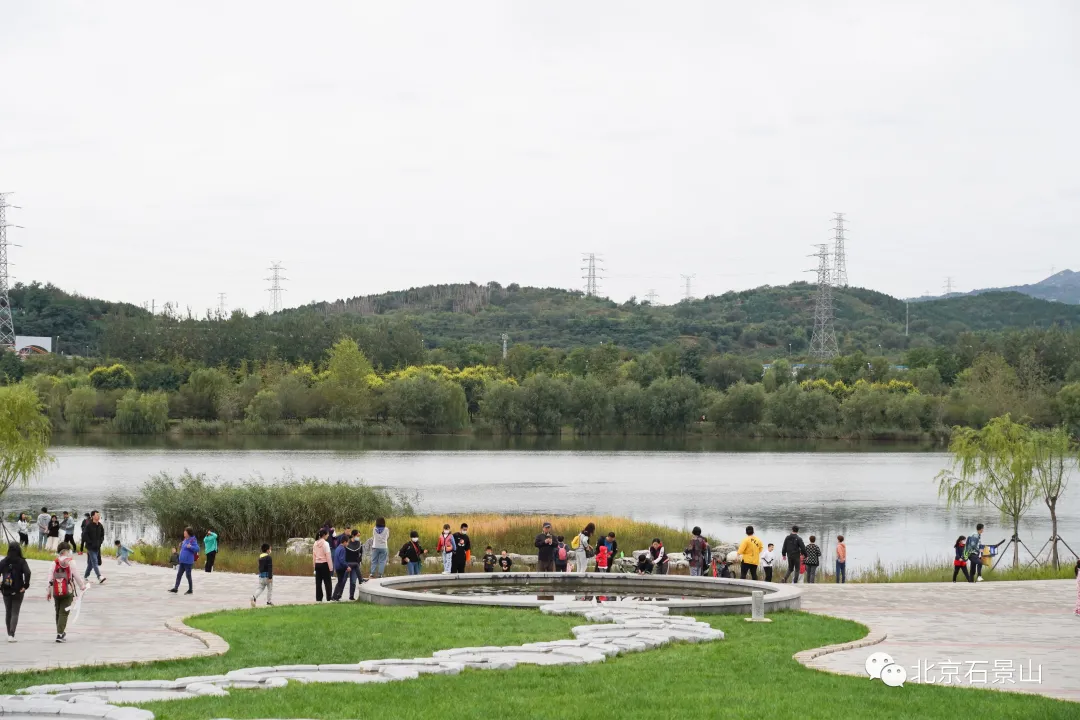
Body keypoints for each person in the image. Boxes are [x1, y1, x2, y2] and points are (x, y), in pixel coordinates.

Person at [47, 543, 86, 643]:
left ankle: (60, 632)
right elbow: (76, 575)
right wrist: (82, 586)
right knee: (63, 613)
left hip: (56, 590)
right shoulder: (71, 562)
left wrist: (49, 591)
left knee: (58, 611)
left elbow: (50, 578)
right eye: (68, 550)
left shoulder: (54, 563)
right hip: (67, 590)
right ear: (65, 551)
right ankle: (60, 634)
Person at [1, 542, 31, 642]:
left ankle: (9, 633)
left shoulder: (4, 561)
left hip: (6, 590)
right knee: (15, 612)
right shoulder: (22, 561)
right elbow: (28, 573)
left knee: (8, 612)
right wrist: (25, 586)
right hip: (18, 590)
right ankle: (12, 634)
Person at [169, 527, 199, 594]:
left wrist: (190, 547)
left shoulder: (193, 540)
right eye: (184, 532)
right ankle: (175, 588)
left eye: (185, 533)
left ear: (188, 533)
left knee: (188, 576)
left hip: (188, 562)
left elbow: (197, 549)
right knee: (179, 575)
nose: (184, 534)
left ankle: (190, 590)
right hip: (182, 561)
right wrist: (181, 545)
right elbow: (184, 548)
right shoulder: (185, 539)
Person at [82, 511, 106, 584]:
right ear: (92, 516)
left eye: (99, 515)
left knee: (91, 563)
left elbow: (102, 535)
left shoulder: (100, 525)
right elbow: (84, 535)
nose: (98, 516)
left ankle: (85, 576)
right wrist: (90, 543)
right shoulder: (89, 525)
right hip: (90, 547)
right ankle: (99, 577)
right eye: (96, 515)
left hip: (97, 547)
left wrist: (100, 542)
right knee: (95, 561)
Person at [313, 529, 333, 601]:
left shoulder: (315, 543)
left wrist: (314, 566)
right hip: (324, 564)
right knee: (327, 582)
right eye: (327, 534)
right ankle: (329, 597)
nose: (328, 535)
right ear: (324, 535)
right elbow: (328, 557)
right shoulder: (326, 544)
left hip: (317, 564)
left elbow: (314, 556)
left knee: (318, 583)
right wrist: (331, 568)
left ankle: (318, 598)